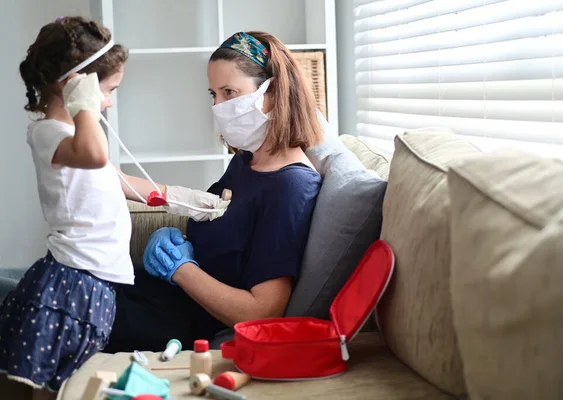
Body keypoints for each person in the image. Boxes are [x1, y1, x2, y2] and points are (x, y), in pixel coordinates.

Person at [0, 16, 227, 399]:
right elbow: (93, 154)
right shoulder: (49, 133)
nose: (108, 100)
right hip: (74, 283)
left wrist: (189, 200)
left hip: (98, 283)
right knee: (56, 382)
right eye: (107, 90)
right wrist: (85, 104)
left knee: (75, 375)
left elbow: (115, 178)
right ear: (74, 87)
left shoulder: (75, 134)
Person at [103, 31, 324, 353]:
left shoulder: (289, 188)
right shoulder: (248, 161)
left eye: (229, 92)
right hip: (160, 296)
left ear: (273, 92)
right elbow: (206, 207)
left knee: (45, 308)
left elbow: (262, 311)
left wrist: (181, 270)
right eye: (214, 94)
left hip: (182, 322)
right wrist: (106, 173)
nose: (218, 107)